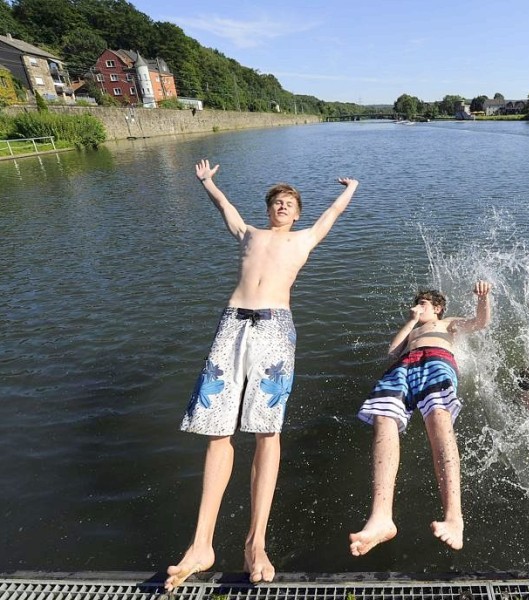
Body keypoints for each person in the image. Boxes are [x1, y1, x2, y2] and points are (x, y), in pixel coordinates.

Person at [165, 159, 359, 592]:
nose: (283, 206)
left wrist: (351, 188)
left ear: (297, 212)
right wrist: (208, 183)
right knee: (218, 430)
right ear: (269, 208)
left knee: (266, 431)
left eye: (290, 203)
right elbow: (226, 209)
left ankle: (256, 543)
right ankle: (201, 545)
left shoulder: (306, 239)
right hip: (232, 323)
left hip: (275, 328)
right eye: (277, 202)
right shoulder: (249, 234)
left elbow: (335, 213)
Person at [349, 281, 492, 556]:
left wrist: (483, 299)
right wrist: (412, 320)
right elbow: (393, 351)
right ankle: (381, 518)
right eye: (416, 304)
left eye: (423, 304)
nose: (416, 307)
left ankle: (454, 517)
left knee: (439, 417)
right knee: (383, 418)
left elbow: (479, 323)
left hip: (436, 361)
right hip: (403, 366)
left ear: (437, 308)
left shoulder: (447, 323)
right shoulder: (412, 329)